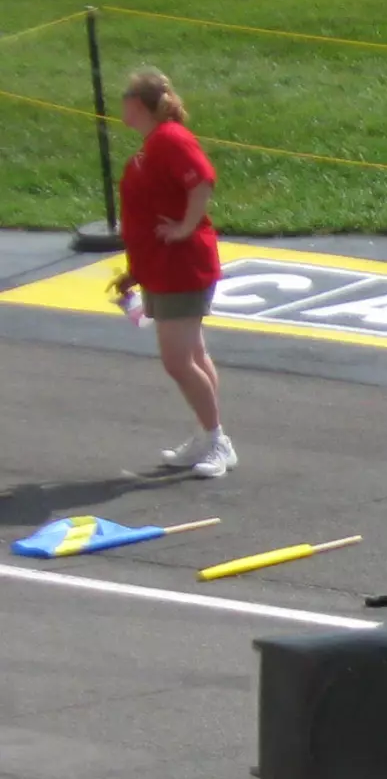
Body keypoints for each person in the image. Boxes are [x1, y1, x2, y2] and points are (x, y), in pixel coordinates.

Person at [114, 69, 231, 477]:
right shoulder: (155, 143)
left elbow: (202, 181)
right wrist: (137, 270)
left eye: (125, 96)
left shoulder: (169, 139)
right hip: (162, 267)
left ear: (137, 103)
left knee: (178, 361)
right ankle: (207, 436)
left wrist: (184, 227)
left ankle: (216, 441)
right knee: (193, 355)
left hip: (182, 266)